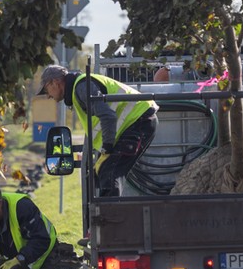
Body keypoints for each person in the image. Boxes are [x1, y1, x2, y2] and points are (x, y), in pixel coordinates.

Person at [38, 64, 158, 197]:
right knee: (104, 171)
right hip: (138, 122)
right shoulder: (79, 88)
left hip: (139, 121)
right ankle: (107, 207)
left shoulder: (81, 88)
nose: (48, 96)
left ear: (55, 82)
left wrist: (107, 148)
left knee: (109, 172)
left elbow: (108, 116)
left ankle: (109, 210)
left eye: (46, 90)